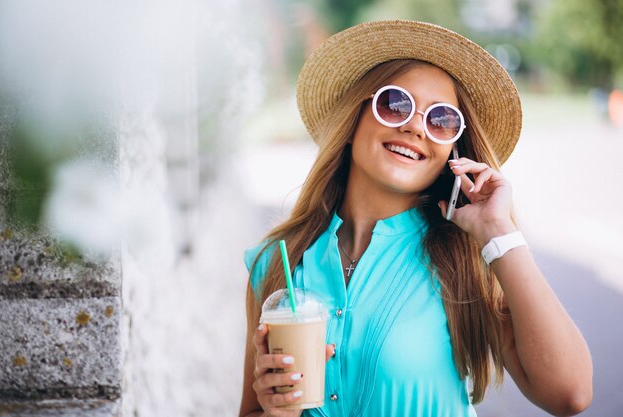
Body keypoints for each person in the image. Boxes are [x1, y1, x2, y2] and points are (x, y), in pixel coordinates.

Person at [239, 20, 593, 417]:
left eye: (441, 120)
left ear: (452, 153)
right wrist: (276, 410)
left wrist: (499, 232)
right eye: (395, 104)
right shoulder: (277, 262)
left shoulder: (467, 261)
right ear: (355, 121)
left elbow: (570, 394)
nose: (413, 126)